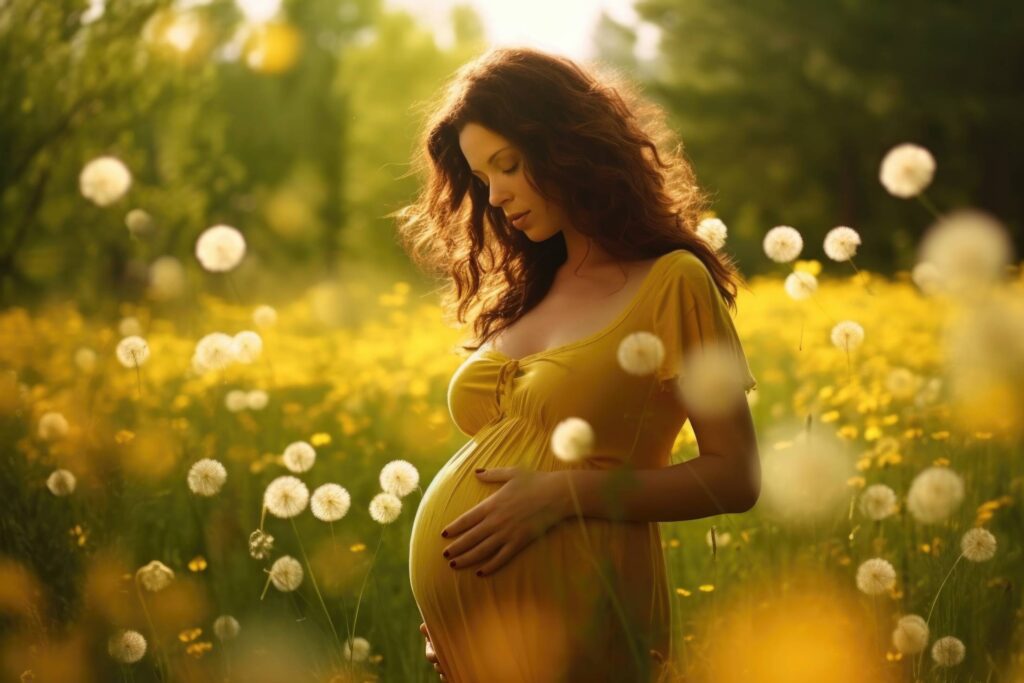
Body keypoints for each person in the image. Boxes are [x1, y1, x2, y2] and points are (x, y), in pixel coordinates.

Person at [392, 47, 760, 683]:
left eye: (507, 165)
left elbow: (735, 478)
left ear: (566, 145)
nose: (496, 194)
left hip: (591, 618)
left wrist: (562, 495)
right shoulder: (530, 289)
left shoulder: (672, 283)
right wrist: (461, 619)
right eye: (482, 178)